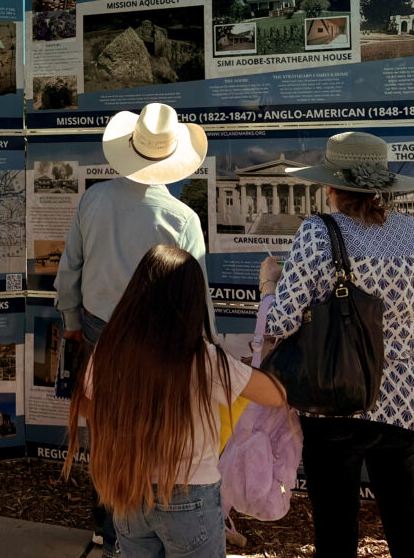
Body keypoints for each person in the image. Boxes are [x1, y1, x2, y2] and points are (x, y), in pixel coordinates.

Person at [259, 131, 414, 558]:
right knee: (409, 531)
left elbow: (283, 320)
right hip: (403, 399)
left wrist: (270, 284)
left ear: (331, 186)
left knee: (336, 534)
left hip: (334, 396)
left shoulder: (317, 234)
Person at [54, 102, 211, 554]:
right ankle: (148, 522)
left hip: (99, 332)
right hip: (158, 343)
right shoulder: (183, 219)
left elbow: (71, 270)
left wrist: (69, 324)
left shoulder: (93, 199)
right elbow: (196, 293)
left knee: (105, 429)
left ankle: (109, 523)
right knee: (154, 431)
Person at [63, 244, 285, 558]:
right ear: (192, 300)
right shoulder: (202, 357)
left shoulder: (109, 348)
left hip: (128, 492)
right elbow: (274, 394)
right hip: (189, 495)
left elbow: (86, 403)